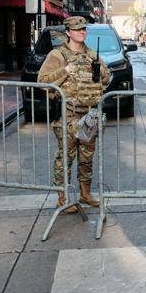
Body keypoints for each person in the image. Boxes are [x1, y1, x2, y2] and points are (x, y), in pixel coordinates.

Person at [38, 16, 110, 213]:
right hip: (67, 115)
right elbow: (43, 81)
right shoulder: (57, 55)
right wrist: (65, 71)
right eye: (77, 29)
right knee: (65, 158)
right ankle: (63, 198)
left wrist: (100, 72)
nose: (82, 31)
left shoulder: (92, 54)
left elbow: (106, 80)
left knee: (87, 157)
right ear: (68, 32)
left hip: (89, 116)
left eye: (83, 28)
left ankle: (85, 194)